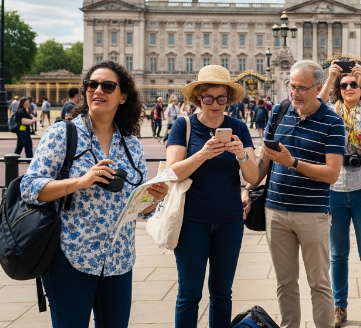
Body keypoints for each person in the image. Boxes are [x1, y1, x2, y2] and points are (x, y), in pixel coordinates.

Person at [20, 61, 169, 328]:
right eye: (92, 84)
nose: (97, 90)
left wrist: (153, 198)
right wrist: (80, 181)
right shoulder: (62, 134)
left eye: (108, 85)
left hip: (119, 258)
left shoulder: (132, 143)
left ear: (123, 97)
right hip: (70, 254)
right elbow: (29, 188)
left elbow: (142, 209)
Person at [165, 65, 258, 328]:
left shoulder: (238, 126)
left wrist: (241, 154)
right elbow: (172, 173)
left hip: (229, 222)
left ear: (228, 99)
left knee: (222, 294)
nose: (215, 104)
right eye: (208, 98)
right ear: (198, 98)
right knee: (189, 294)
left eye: (221, 98)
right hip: (191, 222)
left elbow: (252, 177)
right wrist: (203, 154)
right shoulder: (183, 125)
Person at [261, 60, 346, 328]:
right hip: (275, 210)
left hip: (312, 213)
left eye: (301, 88)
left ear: (319, 88)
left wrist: (293, 163)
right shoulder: (278, 112)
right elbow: (264, 163)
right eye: (291, 86)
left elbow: (332, 173)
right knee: (284, 282)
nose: (294, 93)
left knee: (319, 283)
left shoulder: (333, 122)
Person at [318, 60, 361, 328]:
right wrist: (327, 80)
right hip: (334, 191)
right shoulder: (330, 114)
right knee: (337, 254)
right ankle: (339, 305)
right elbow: (315, 109)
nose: (348, 88)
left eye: (353, 84)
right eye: (343, 85)